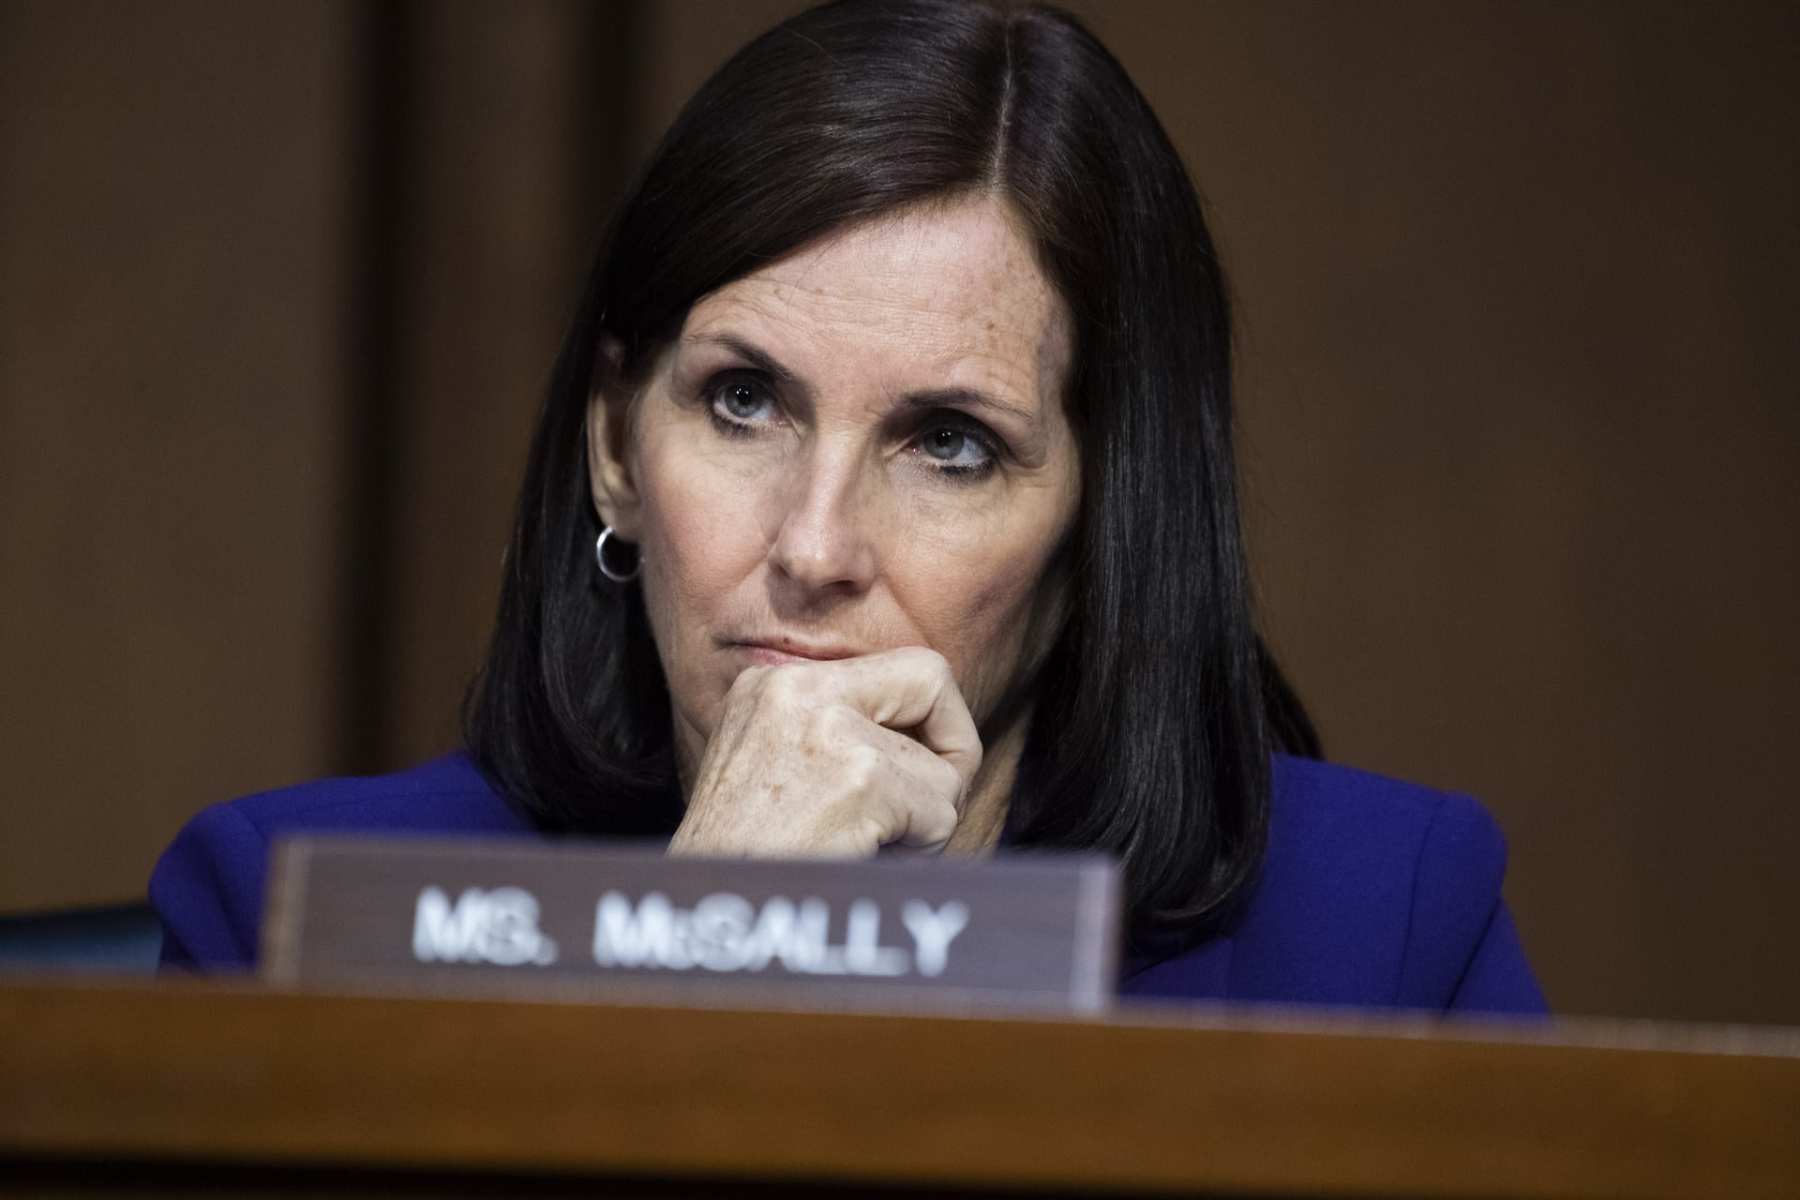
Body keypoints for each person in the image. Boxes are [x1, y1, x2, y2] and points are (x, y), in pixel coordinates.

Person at [151, 0, 1545, 1013]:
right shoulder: (283, 913)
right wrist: (689, 944)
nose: (814, 549)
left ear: (1104, 524)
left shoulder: (1384, 929)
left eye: (950, 443)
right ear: (615, 450)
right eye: (745, 401)